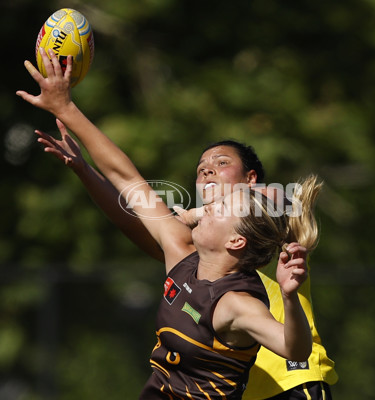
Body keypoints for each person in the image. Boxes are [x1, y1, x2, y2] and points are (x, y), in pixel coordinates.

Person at [20, 49, 338, 400]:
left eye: (221, 162)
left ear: (250, 180)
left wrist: (194, 214)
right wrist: (83, 165)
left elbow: (282, 202)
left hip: (291, 385)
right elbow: (131, 189)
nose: (207, 168)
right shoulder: (193, 250)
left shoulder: (268, 212)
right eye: (202, 166)